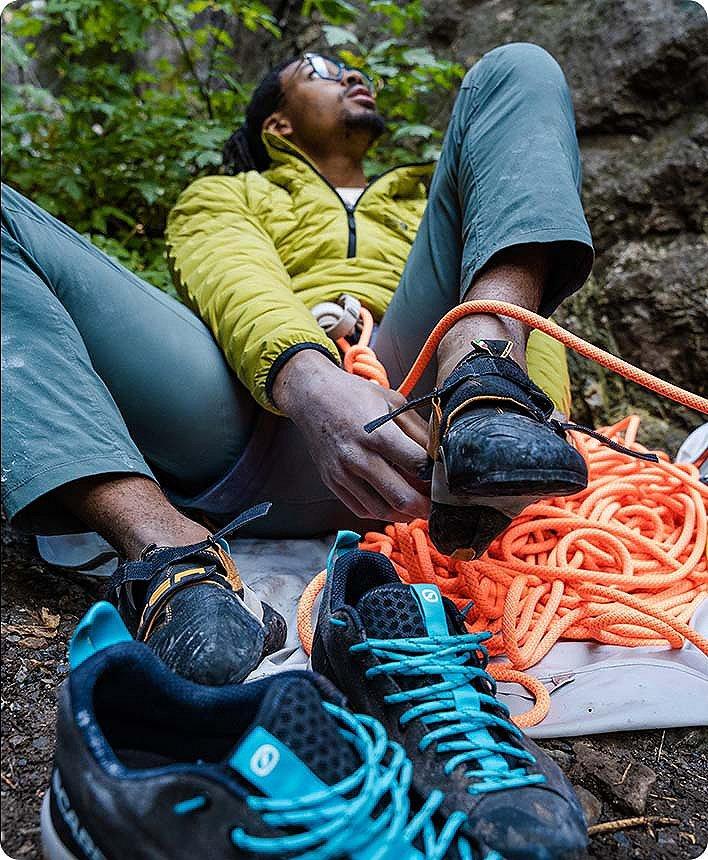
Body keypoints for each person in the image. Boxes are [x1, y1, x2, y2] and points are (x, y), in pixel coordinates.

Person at [1, 43, 593, 685]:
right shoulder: (227, 194)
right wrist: (313, 382)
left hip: (429, 414)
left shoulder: (434, 202)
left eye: (351, 67)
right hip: (256, 417)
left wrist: (540, 416)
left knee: (518, 69)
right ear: (277, 124)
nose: (352, 74)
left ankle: (489, 390)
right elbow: (236, 278)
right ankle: (166, 551)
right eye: (322, 70)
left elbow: (530, 289)